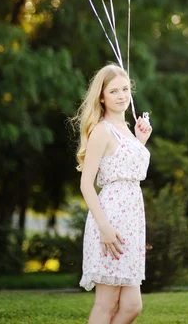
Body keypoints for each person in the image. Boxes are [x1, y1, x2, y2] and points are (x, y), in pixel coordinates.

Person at [72, 63, 152, 324]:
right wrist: (104, 227)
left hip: (132, 222)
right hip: (110, 220)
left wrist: (140, 142)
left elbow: (127, 167)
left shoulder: (127, 130)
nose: (122, 95)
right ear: (102, 97)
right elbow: (87, 184)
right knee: (106, 304)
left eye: (126, 89)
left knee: (131, 305)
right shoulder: (102, 130)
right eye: (114, 90)